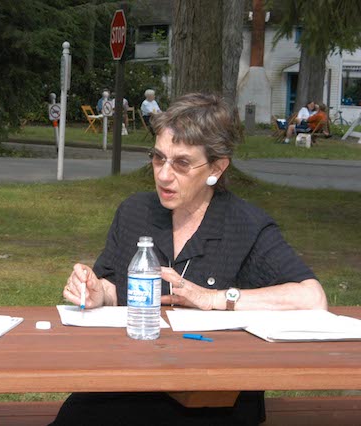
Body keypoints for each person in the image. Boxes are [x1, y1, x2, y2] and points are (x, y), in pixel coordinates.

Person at [54, 93, 327, 426]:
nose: (163, 175)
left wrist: (213, 298)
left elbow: (312, 299)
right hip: (126, 383)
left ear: (216, 167)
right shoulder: (135, 212)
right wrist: (100, 292)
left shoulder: (245, 224)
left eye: (181, 163)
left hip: (211, 396)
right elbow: (114, 285)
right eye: (158, 158)